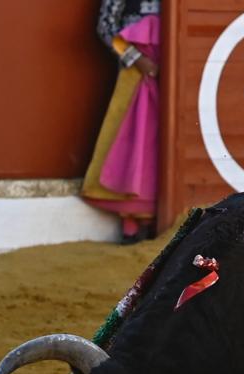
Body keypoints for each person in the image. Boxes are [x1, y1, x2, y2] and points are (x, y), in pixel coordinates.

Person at [82, 0, 162, 244]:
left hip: (170, 72)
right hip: (134, 73)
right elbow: (106, 28)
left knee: (156, 145)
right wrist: (135, 59)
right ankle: (130, 224)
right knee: (132, 141)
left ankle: (151, 223)